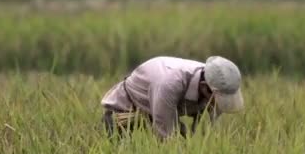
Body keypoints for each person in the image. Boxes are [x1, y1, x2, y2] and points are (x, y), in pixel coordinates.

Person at [100, 56, 244, 139]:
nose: (218, 104)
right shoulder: (169, 85)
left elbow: (206, 131)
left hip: (162, 111)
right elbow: (167, 139)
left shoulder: (216, 79)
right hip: (123, 115)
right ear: (204, 88)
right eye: (218, 98)